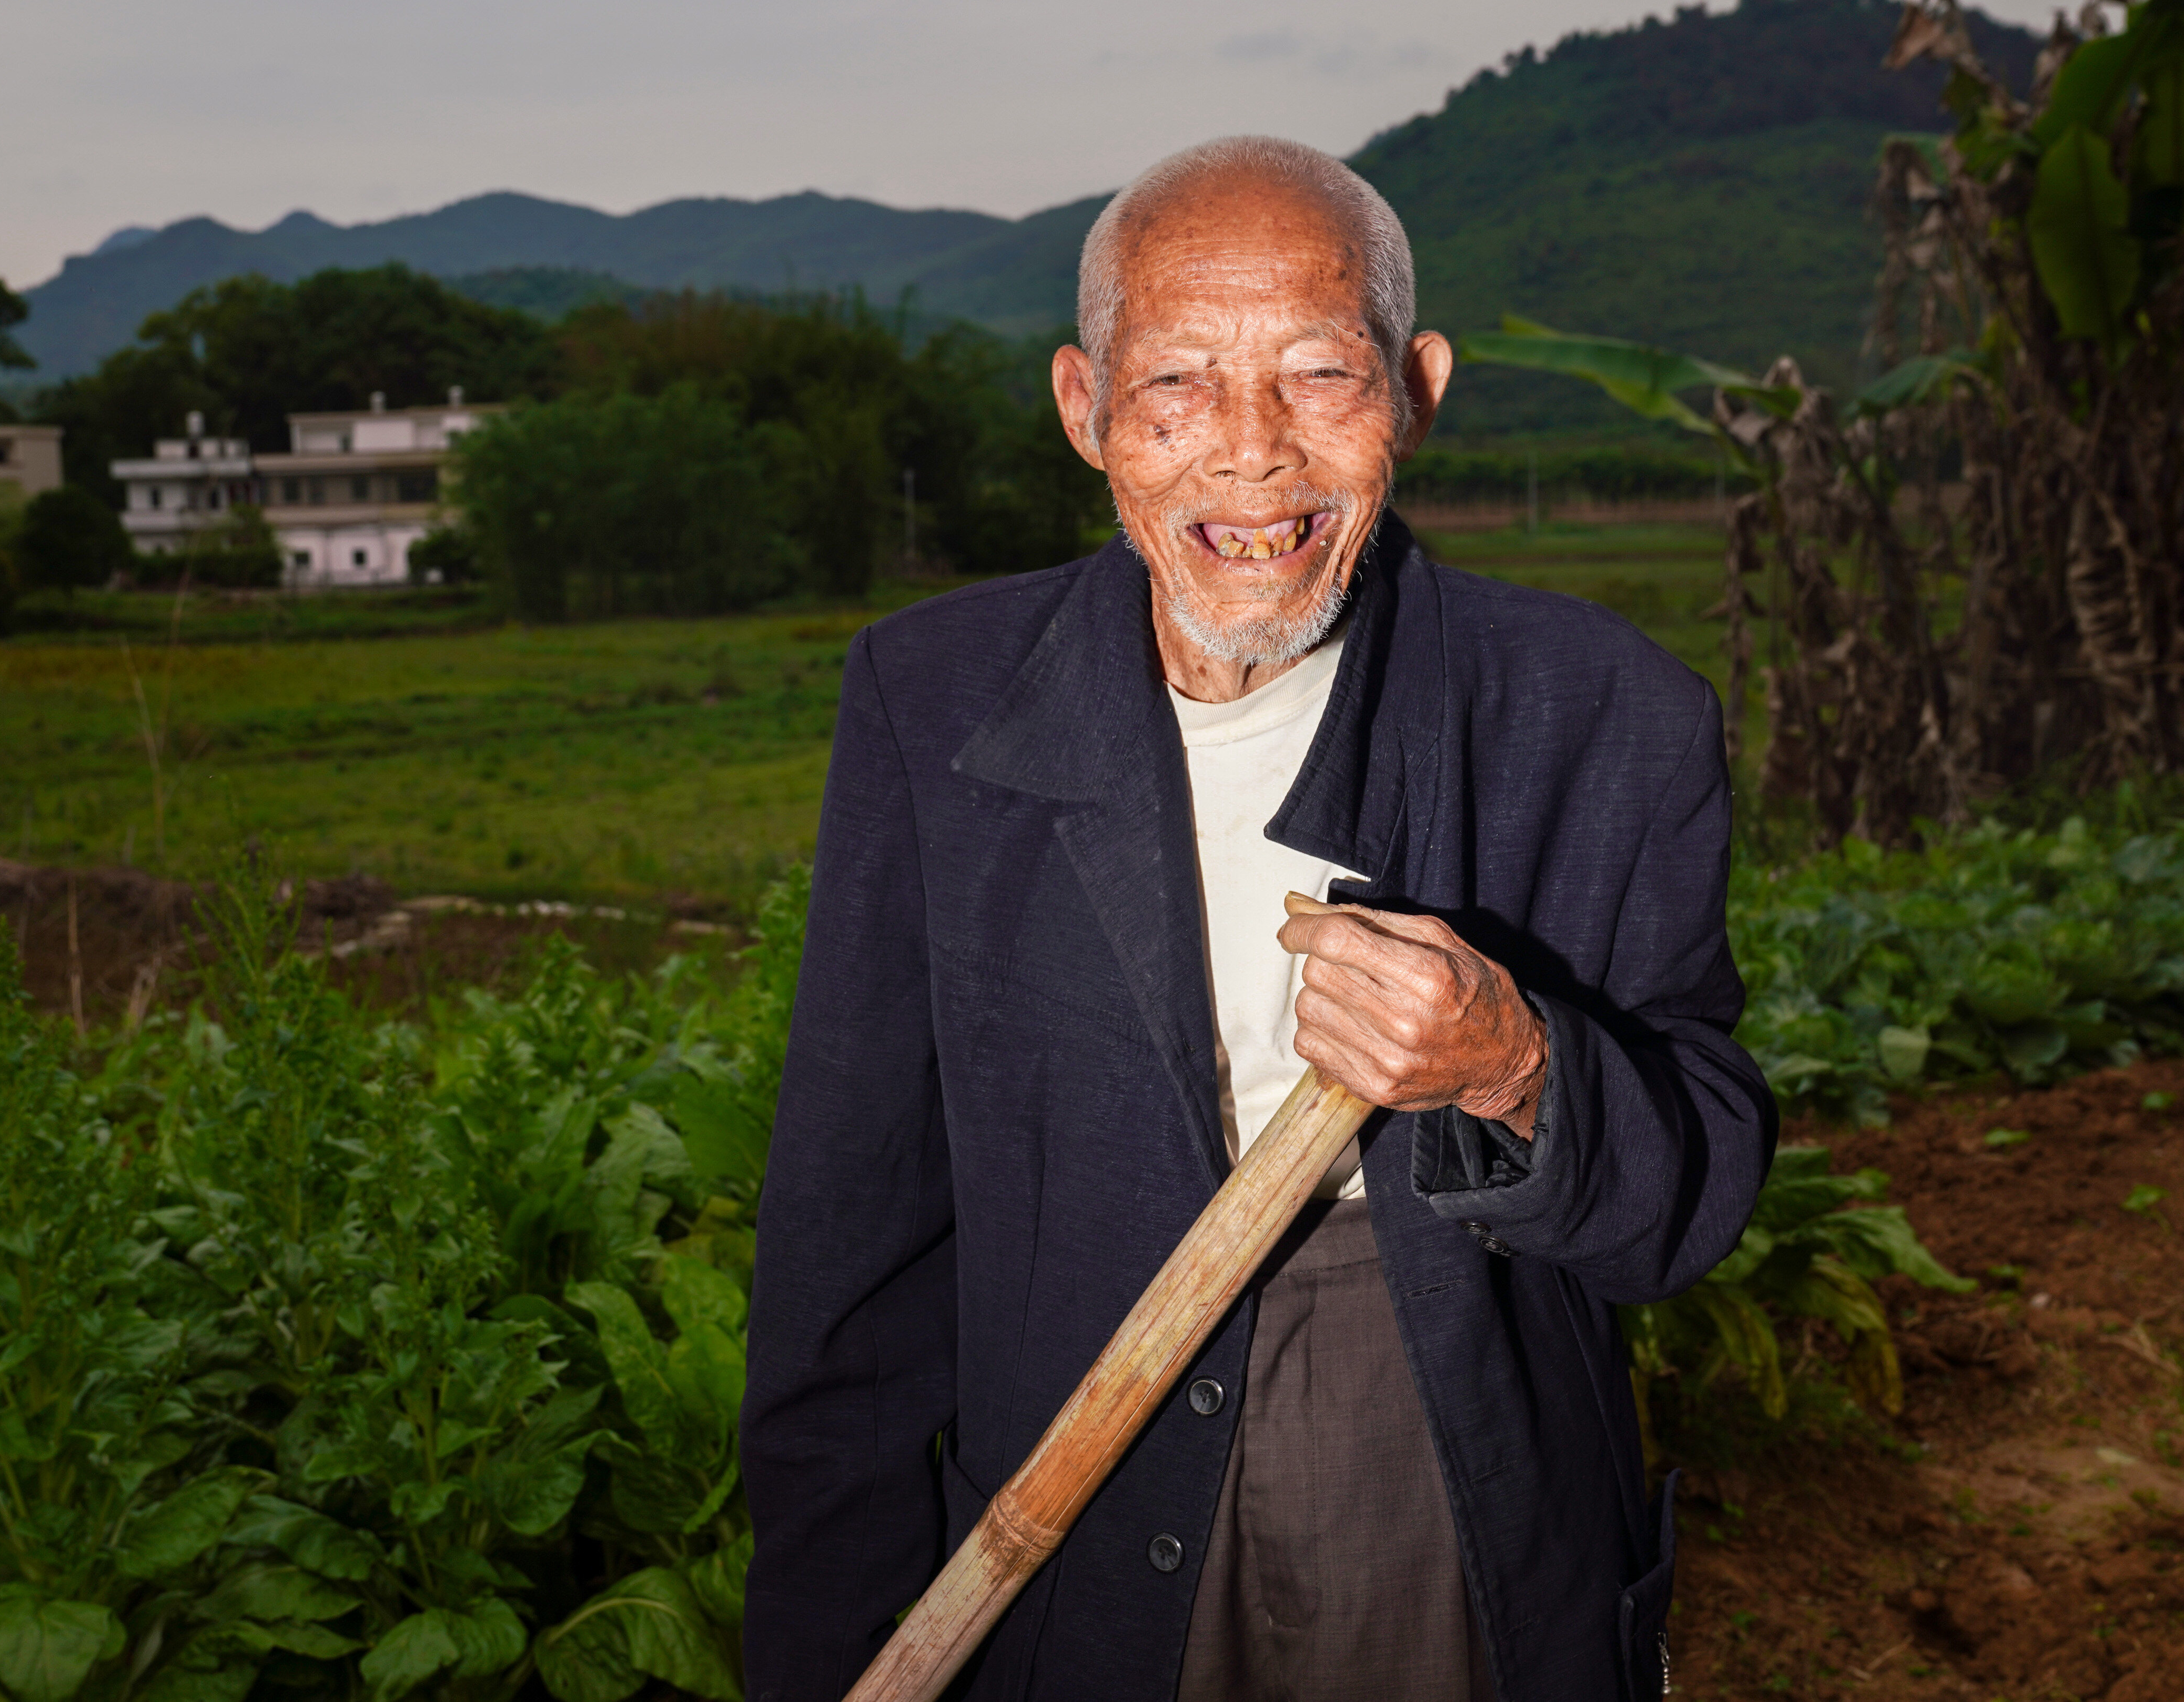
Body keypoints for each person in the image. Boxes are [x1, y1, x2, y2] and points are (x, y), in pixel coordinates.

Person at [740, 135, 1776, 1702]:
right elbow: (852, 1228)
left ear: (1413, 391)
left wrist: (1515, 1069)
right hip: (1066, 1459)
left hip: (1438, 1443)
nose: (1249, 455)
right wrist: (824, 1640)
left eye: (1316, 376)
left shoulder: (1602, 714)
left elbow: (1684, 1202)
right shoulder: (930, 698)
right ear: (1086, 411)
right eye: (1175, 387)